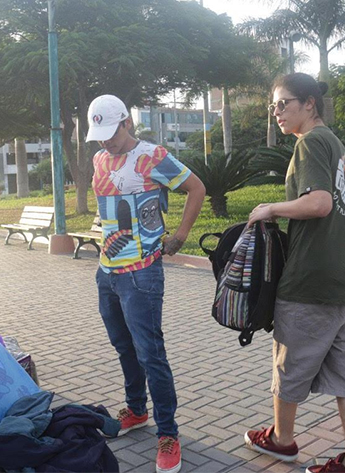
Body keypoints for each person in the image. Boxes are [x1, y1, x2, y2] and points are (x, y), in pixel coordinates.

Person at [243, 74, 345, 473]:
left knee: (289, 364)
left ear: (310, 105)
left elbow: (319, 204)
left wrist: (270, 208)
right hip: (344, 278)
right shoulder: (334, 143)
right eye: (274, 106)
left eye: (284, 104)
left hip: (311, 280)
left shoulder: (310, 143)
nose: (277, 112)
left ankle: (282, 441)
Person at [86, 95, 205, 473]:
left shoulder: (153, 156)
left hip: (142, 272)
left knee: (150, 352)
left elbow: (196, 188)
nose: (106, 141)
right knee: (123, 346)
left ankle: (168, 433)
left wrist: (180, 236)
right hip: (107, 271)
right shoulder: (99, 159)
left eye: (111, 133)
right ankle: (137, 409)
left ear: (128, 123)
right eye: (99, 135)